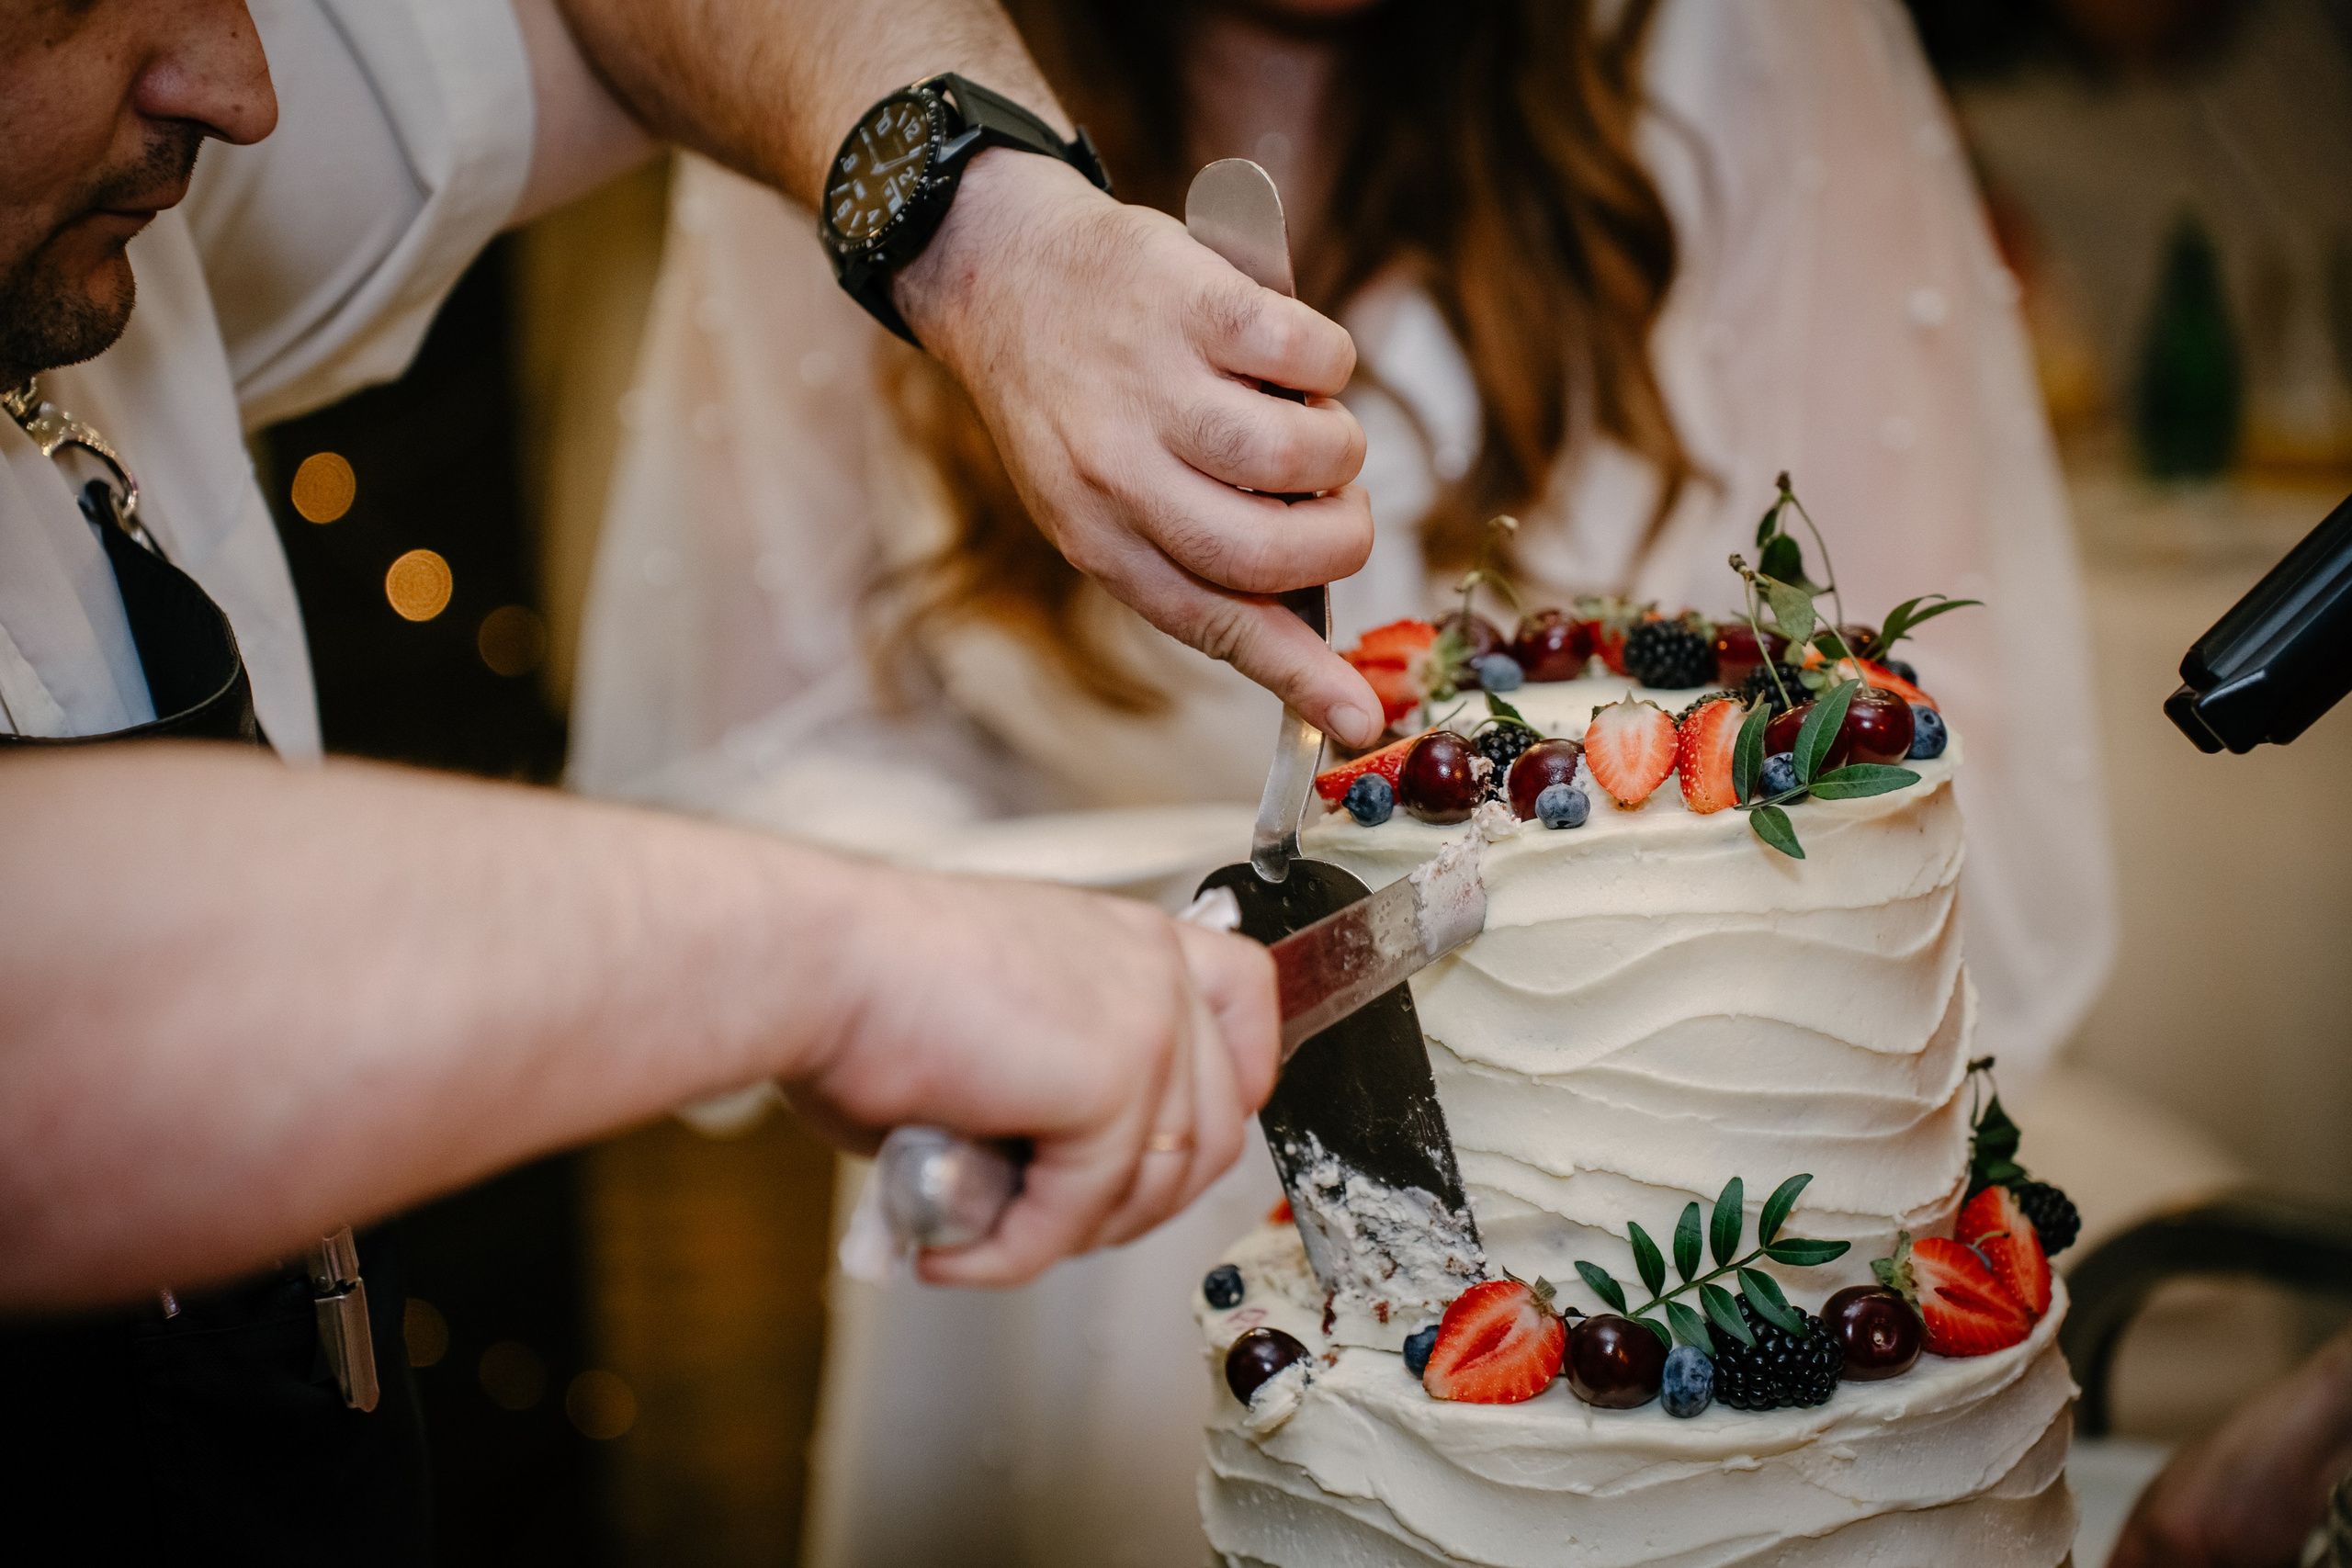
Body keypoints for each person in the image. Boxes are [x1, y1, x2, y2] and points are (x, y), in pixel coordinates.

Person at [568, 0, 2122, 1562]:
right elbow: (759, 752)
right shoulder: (868, 89)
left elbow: (1913, 728)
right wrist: (1014, 958)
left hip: (1618, 1259)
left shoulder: (1751, 39)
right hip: (1077, 1156)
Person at [0, 0, 1374, 1556]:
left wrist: (981, 213)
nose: (245, 91)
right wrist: (838, 957)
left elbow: (597, 27)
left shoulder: (133, 165)